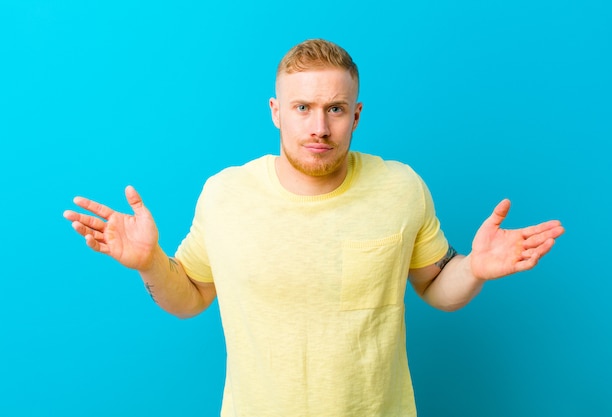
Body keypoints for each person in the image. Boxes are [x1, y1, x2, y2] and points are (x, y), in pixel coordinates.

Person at [63, 39, 565, 417]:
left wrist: (474, 267)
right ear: (276, 112)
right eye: (302, 108)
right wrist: (151, 263)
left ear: (356, 115)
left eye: (335, 109)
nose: (318, 127)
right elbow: (191, 297)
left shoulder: (401, 187)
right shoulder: (225, 194)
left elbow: (436, 284)